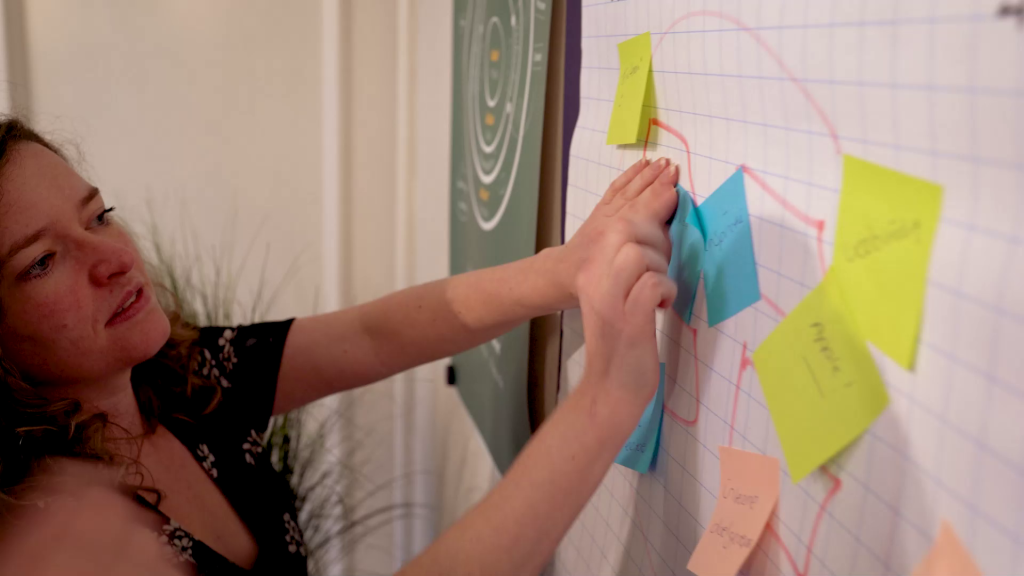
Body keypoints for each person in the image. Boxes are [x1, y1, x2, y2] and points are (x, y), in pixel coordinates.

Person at [0, 117, 679, 575]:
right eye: (42, 262)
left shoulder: (179, 379)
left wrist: (564, 268)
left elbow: (369, 337)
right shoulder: (45, 540)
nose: (114, 259)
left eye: (99, 216)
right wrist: (606, 396)